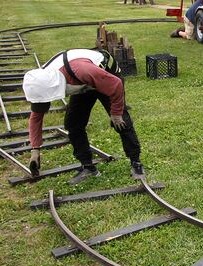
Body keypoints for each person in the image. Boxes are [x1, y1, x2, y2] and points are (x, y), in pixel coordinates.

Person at [22, 49, 145, 185]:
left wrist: (115, 113)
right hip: (82, 83)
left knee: (121, 121)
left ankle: (136, 163)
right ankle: (88, 167)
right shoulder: (40, 83)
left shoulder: (81, 71)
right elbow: (36, 118)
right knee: (73, 123)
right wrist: (35, 149)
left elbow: (116, 84)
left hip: (106, 76)